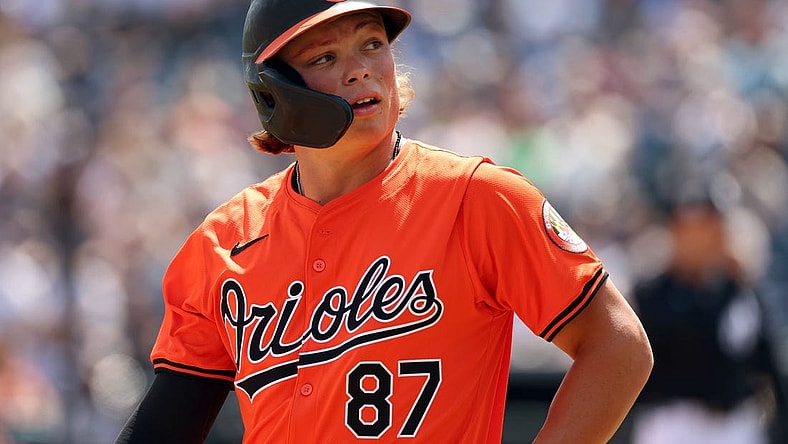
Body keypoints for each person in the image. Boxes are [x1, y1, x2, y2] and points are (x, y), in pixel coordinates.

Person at [115, 1, 653, 442]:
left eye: (372, 43)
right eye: (325, 56)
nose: (361, 68)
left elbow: (618, 347)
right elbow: (164, 428)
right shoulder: (225, 240)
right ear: (271, 90)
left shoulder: (477, 199)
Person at [631, 193, 787, 444]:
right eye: (691, 229)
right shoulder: (653, 293)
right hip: (673, 421)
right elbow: (673, 342)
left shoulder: (738, 291)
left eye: (708, 227)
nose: (700, 238)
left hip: (733, 423)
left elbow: (763, 360)